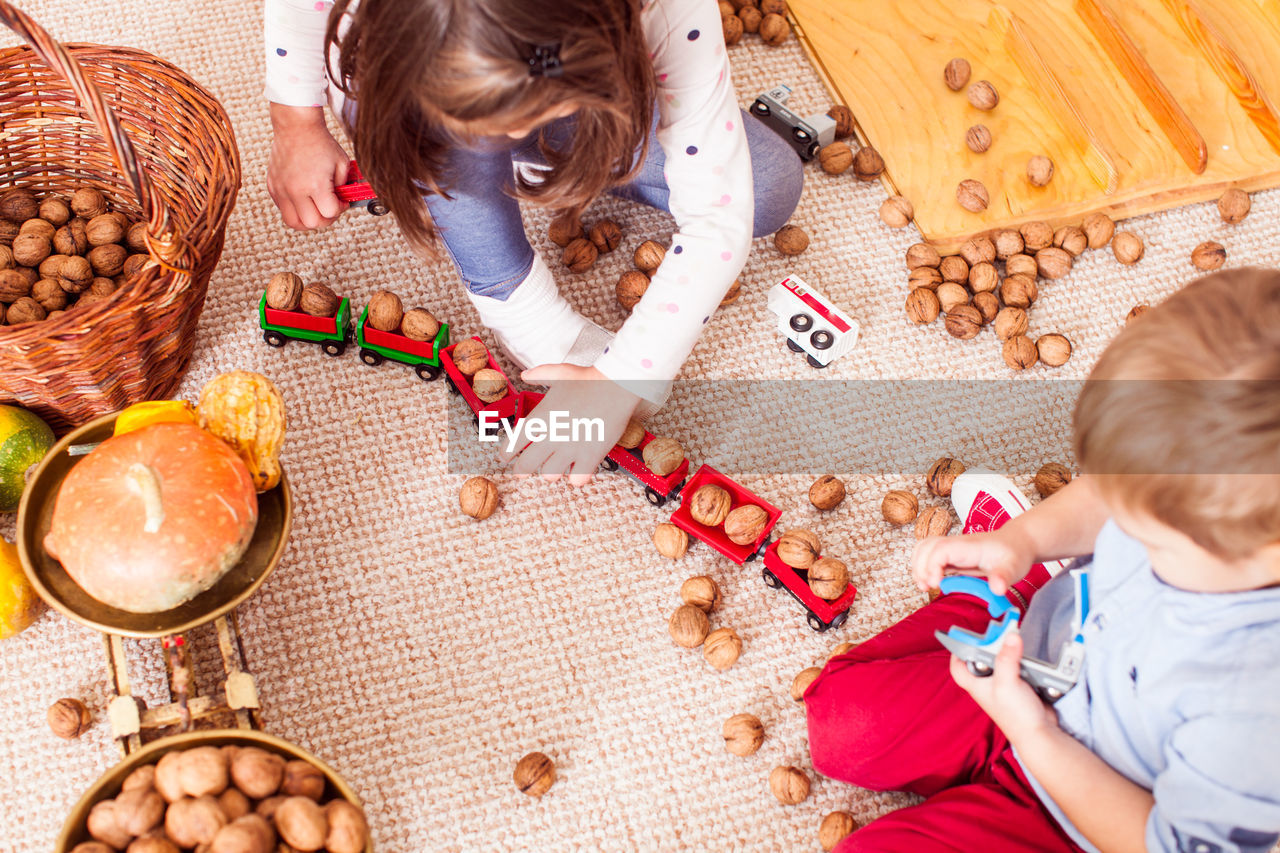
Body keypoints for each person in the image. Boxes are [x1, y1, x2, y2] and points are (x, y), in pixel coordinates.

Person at [804, 268, 1280, 852]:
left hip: (1081, 812)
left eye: (1147, 539)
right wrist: (1021, 542)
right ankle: (1028, 579)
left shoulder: (1255, 713)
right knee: (840, 723)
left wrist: (1034, 736)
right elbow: (1109, 499)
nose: (1121, 530)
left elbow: (1161, 844)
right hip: (1036, 661)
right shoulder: (1203, 511)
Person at [263, 0, 804, 482]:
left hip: (589, 82)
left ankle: (540, 140)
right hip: (408, 83)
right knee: (446, 149)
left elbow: (718, 213)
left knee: (769, 186)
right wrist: (295, 122)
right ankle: (514, 297)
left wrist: (624, 377)